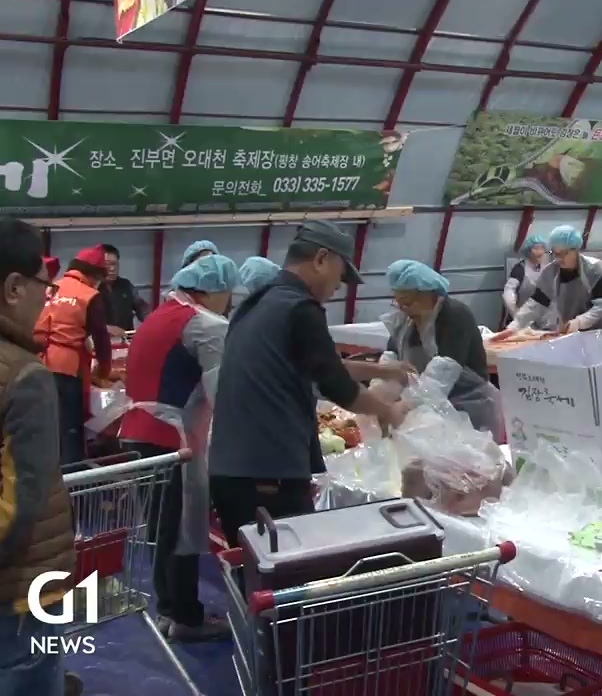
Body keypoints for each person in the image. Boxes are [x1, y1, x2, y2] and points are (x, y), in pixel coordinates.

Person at [206, 221, 408, 549]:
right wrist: (389, 412)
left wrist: (383, 372)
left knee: (253, 572)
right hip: (268, 477)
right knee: (290, 572)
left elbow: (319, 364)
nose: (339, 286)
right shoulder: (300, 307)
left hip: (231, 471)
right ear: (321, 259)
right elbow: (337, 386)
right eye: (341, 274)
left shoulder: (258, 303)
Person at [0, 215, 82, 696]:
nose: (46, 298)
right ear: (14, 288)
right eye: (44, 285)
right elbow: (19, 503)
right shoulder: (23, 375)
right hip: (16, 596)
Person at [121, 254, 239, 643]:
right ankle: (187, 617)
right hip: (172, 438)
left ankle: (169, 609)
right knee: (182, 530)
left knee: (161, 529)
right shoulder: (206, 325)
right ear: (214, 290)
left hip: (137, 431)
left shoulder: (161, 314)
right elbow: (225, 395)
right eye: (229, 292)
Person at [382, 261, 498, 437]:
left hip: (470, 410)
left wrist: (404, 406)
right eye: (398, 303)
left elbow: (440, 377)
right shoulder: (405, 320)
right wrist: (378, 395)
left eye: (408, 302)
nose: (404, 309)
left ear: (430, 294)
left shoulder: (455, 315)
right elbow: (390, 359)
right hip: (428, 412)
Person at [34, 244, 115, 464]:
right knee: (70, 428)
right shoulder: (89, 295)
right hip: (69, 367)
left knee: (49, 424)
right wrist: (104, 371)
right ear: (95, 274)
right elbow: (101, 338)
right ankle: (72, 475)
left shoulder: (53, 287)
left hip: (40, 363)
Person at [511, 225, 602, 334]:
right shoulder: (550, 272)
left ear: (576, 250)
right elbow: (537, 303)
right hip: (571, 333)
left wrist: (580, 321)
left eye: (563, 253)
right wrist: (516, 324)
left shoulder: (593, 270)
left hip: (598, 334)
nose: (559, 259)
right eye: (555, 254)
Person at [99, 243, 151, 335]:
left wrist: (152, 320)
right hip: (100, 340)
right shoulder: (90, 288)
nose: (112, 268)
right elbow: (81, 320)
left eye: (115, 264)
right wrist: (106, 328)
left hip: (126, 338)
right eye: (108, 264)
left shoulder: (126, 285)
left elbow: (142, 308)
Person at [503, 234, 547, 320]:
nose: (540, 252)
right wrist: (516, 313)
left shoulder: (545, 268)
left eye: (542, 248)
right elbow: (508, 293)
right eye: (536, 249)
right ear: (528, 251)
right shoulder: (519, 269)